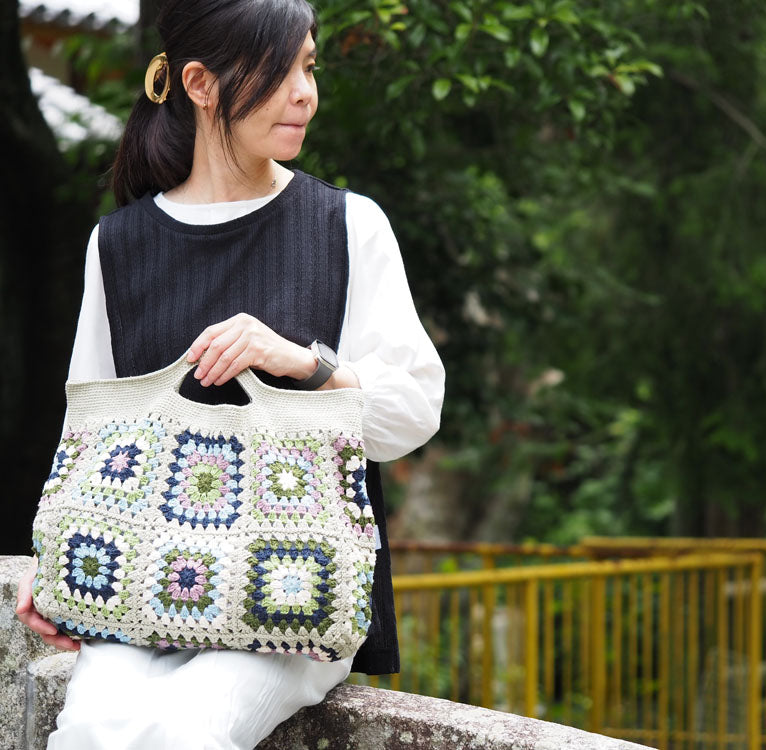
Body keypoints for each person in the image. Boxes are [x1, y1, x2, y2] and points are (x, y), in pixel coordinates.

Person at [14, 0, 445, 747]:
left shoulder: (347, 226)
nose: (305, 93)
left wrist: (304, 363)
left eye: (309, 68)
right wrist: (54, 560)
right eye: (281, 71)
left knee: (192, 730)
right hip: (142, 588)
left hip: (291, 600)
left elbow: (414, 413)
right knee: (88, 730)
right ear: (201, 84)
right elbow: (90, 432)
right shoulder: (117, 246)